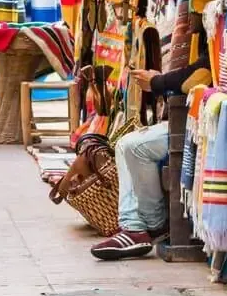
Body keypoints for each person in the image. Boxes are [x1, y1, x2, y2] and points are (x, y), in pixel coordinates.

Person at [90, 26, 209, 260]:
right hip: (188, 118)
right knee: (125, 144)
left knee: (134, 147)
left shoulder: (219, 26)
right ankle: (133, 226)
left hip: (198, 122)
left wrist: (157, 82)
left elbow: (202, 74)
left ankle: (152, 225)